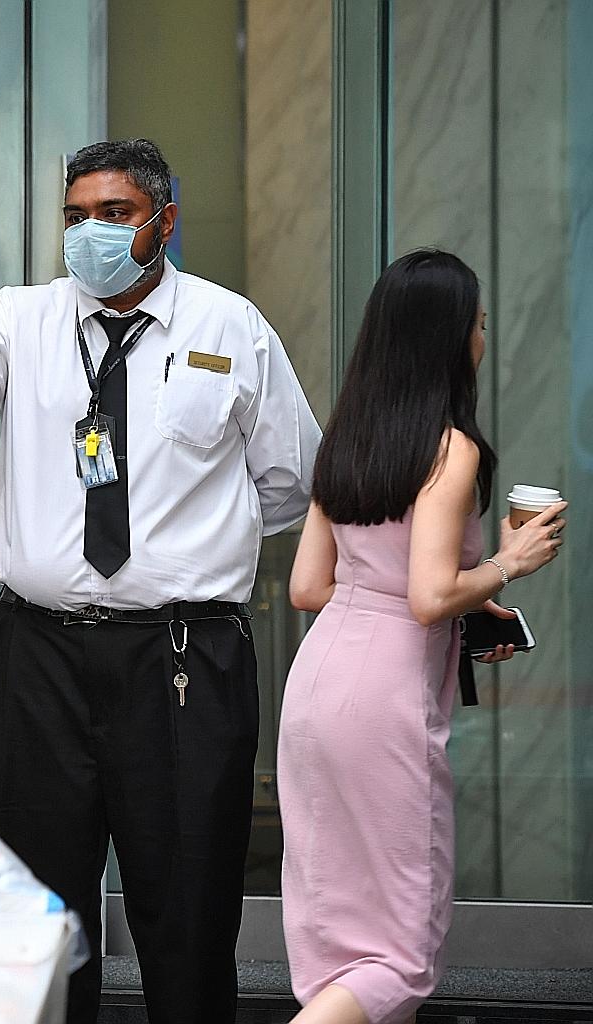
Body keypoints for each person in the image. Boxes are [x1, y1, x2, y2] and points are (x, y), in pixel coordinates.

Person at [0, 138, 322, 1022]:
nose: (89, 233)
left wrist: (195, 550)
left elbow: (290, 479)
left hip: (182, 661)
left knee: (187, 911)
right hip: (34, 659)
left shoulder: (230, 327)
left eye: (114, 215)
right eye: (74, 216)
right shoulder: (16, 320)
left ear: (164, 223)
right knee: (33, 920)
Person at [279, 250, 565, 1024]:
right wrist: (508, 562)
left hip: (316, 687)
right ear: (445, 338)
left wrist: (460, 604)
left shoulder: (346, 437)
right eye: (475, 323)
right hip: (384, 702)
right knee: (400, 956)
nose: (481, 338)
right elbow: (430, 594)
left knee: (335, 936)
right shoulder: (451, 448)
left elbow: (310, 588)